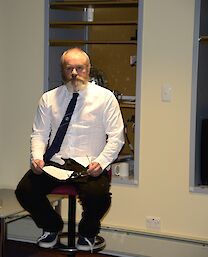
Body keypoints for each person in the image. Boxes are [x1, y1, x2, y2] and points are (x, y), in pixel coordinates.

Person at [15, 48, 124, 251]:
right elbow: (39, 134)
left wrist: (101, 163)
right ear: (62, 71)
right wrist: (37, 158)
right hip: (56, 161)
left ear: (88, 69)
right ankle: (51, 226)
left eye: (79, 68)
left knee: (97, 197)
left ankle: (88, 231)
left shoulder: (105, 98)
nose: (74, 73)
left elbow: (117, 137)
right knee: (25, 191)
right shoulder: (48, 99)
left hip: (89, 162)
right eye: (69, 68)